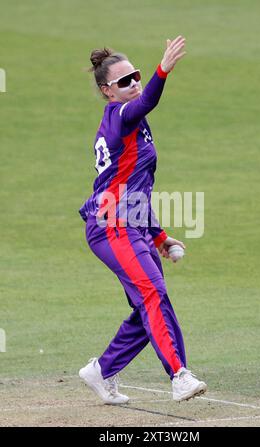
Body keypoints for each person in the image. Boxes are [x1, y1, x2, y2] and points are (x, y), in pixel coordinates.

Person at [78, 36, 207, 404]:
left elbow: (133, 189)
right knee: (154, 294)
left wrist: (159, 236)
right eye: (124, 81)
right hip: (111, 226)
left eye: (135, 75)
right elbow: (149, 97)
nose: (134, 83)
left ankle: (102, 370)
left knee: (149, 301)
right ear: (107, 91)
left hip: (128, 221)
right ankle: (179, 375)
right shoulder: (121, 116)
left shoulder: (135, 122)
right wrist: (162, 68)